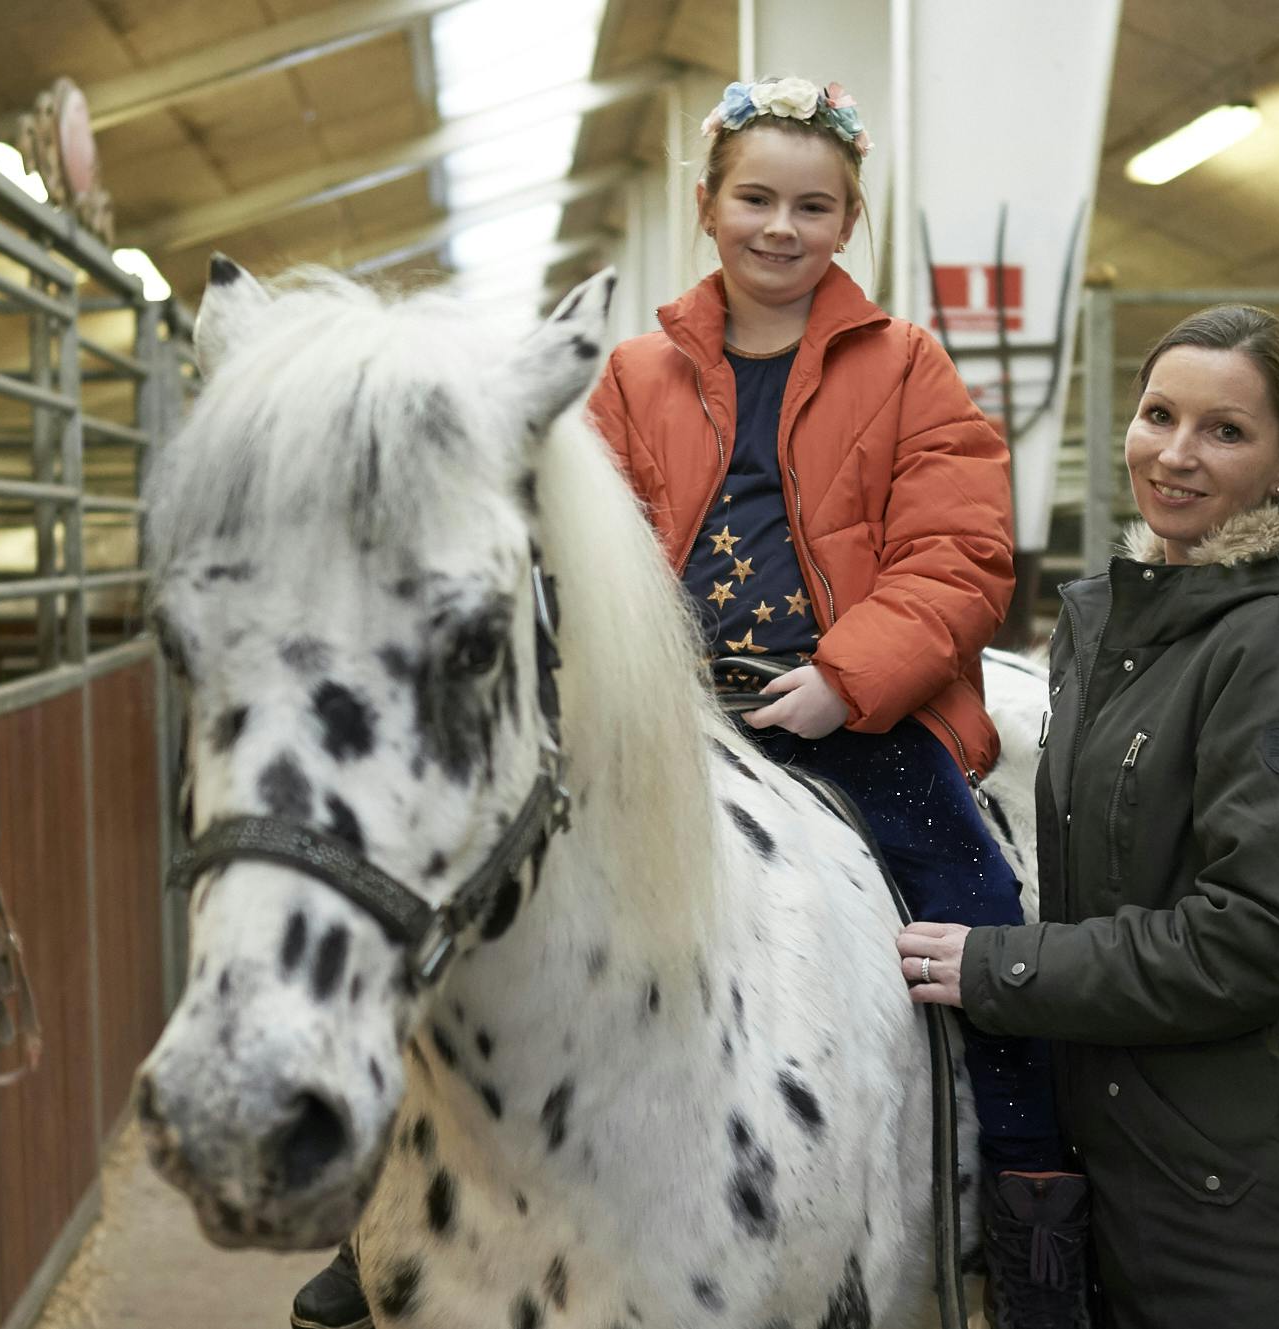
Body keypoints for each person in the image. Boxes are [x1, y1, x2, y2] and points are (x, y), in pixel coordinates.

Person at [290, 77, 1087, 1329]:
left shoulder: (908, 368)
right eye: (756, 198)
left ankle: (1034, 1230)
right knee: (465, 894)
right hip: (664, 724)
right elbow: (579, 549)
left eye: (812, 206)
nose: (781, 226)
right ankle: (386, 1209)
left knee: (978, 920)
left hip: (857, 718)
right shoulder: (632, 377)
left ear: (847, 220)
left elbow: (962, 553)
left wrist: (847, 676)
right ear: (707, 207)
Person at [896, 305, 1279, 1329]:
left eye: (1225, 431)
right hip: (1132, 1173)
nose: (1174, 454)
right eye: (1157, 414)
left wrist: (1004, 968)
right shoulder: (1119, 634)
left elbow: (1264, 933)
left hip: (1241, 1197)